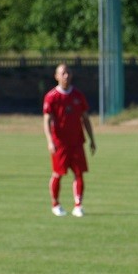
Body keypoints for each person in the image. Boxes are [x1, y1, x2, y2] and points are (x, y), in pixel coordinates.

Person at [43, 63, 96, 217]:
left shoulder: (78, 95)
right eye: (63, 73)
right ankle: (56, 204)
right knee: (57, 173)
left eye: (68, 73)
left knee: (79, 173)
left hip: (77, 141)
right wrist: (50, 141)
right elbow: (46, 120)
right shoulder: (52, 96)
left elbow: (85, 118)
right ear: (56, 76)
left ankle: (78, 205)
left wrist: (92, 139)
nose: (66, 76)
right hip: (60, 143)